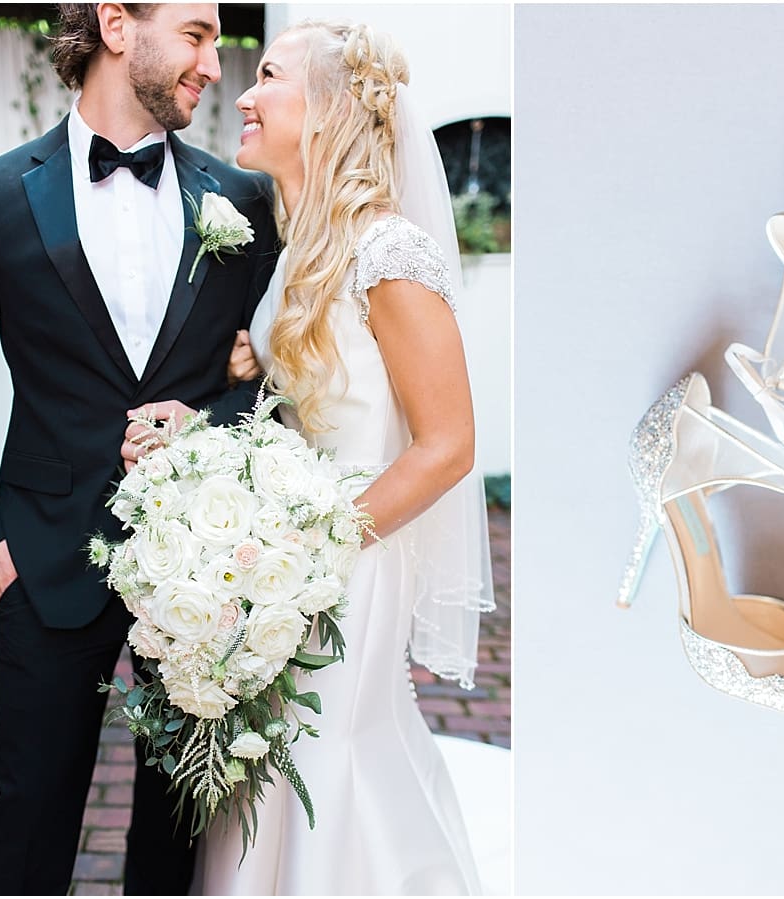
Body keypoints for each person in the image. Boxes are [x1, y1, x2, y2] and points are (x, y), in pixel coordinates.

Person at [0, 4, 277, 894]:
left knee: (179, 828)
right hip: (44, 560)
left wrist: (208, 424)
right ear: (117, 24)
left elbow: (269, 374)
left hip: (199, 567)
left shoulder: (242, 199)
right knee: (30, 820)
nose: (214, 63)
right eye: (195, 34)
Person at [186, 19, 501, 895]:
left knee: (329, 758)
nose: (245, 94)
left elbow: (449, 444)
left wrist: (314, 546)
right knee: (275, 764)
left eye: (269, 76)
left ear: (327, 109)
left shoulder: (389, 251)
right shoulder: (302, 249)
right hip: (282, 560)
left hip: (351, 556)